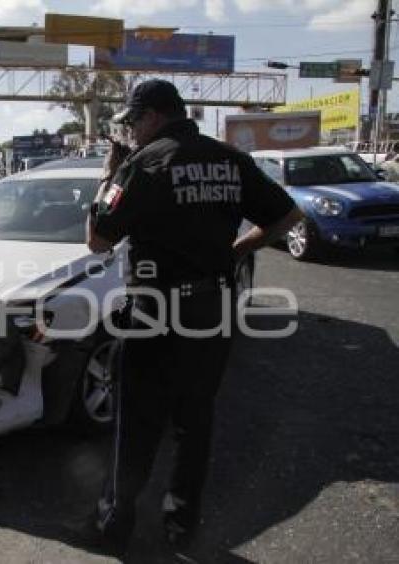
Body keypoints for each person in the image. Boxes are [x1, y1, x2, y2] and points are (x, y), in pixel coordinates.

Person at [86, 79, 302, 554]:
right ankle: (182, 527)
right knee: (194, 421)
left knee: (137, 423)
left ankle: (115, 524)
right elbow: (287, 217)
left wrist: (109, 172)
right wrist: (235, 251)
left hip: (157, 312)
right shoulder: (229, 159)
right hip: (211, 311)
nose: (132, 132)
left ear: (153, 116)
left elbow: (98, 239)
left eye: (133, 122)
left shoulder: (144, 162)